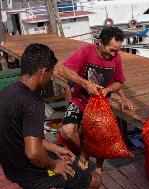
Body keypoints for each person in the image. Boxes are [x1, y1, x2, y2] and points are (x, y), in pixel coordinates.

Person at [0, 43, 100, 189]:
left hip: (12, 169)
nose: (50, 77)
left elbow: (21, 135)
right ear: (42, 72)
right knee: (95, 179)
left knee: (64, 155)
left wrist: (54, 148)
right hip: (31, 176)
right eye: (50, 73)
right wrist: (54, 165)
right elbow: (33, 154)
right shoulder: (33, 102)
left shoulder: (6, 93)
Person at [53, 26, 134, 183]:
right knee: (68, 131)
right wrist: (85, 84)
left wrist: (108, 90)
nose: (114, 54)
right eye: (111, 50)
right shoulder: (85, 51)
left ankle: (98, 167)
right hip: (80, 101)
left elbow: (119, 82)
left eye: (117, 50)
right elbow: (62, 70)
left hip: (101, 105)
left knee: (102, 135)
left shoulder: (116, 57)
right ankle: (84, 152)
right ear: (100, 43)